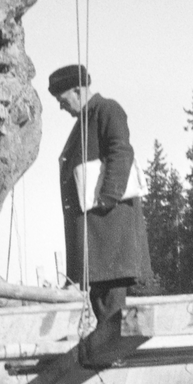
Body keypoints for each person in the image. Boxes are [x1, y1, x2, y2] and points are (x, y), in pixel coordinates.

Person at [49, 64, 151, 367]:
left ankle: (112, 355)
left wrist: (107, 197)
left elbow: (121, 151)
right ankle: (108, 351)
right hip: (97, 226)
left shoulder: (107, 110)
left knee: (110, 291)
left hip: (109, 224)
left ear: (79, 91)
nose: (61, 105)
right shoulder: (86, 118)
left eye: (63, 98)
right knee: (101, 290)